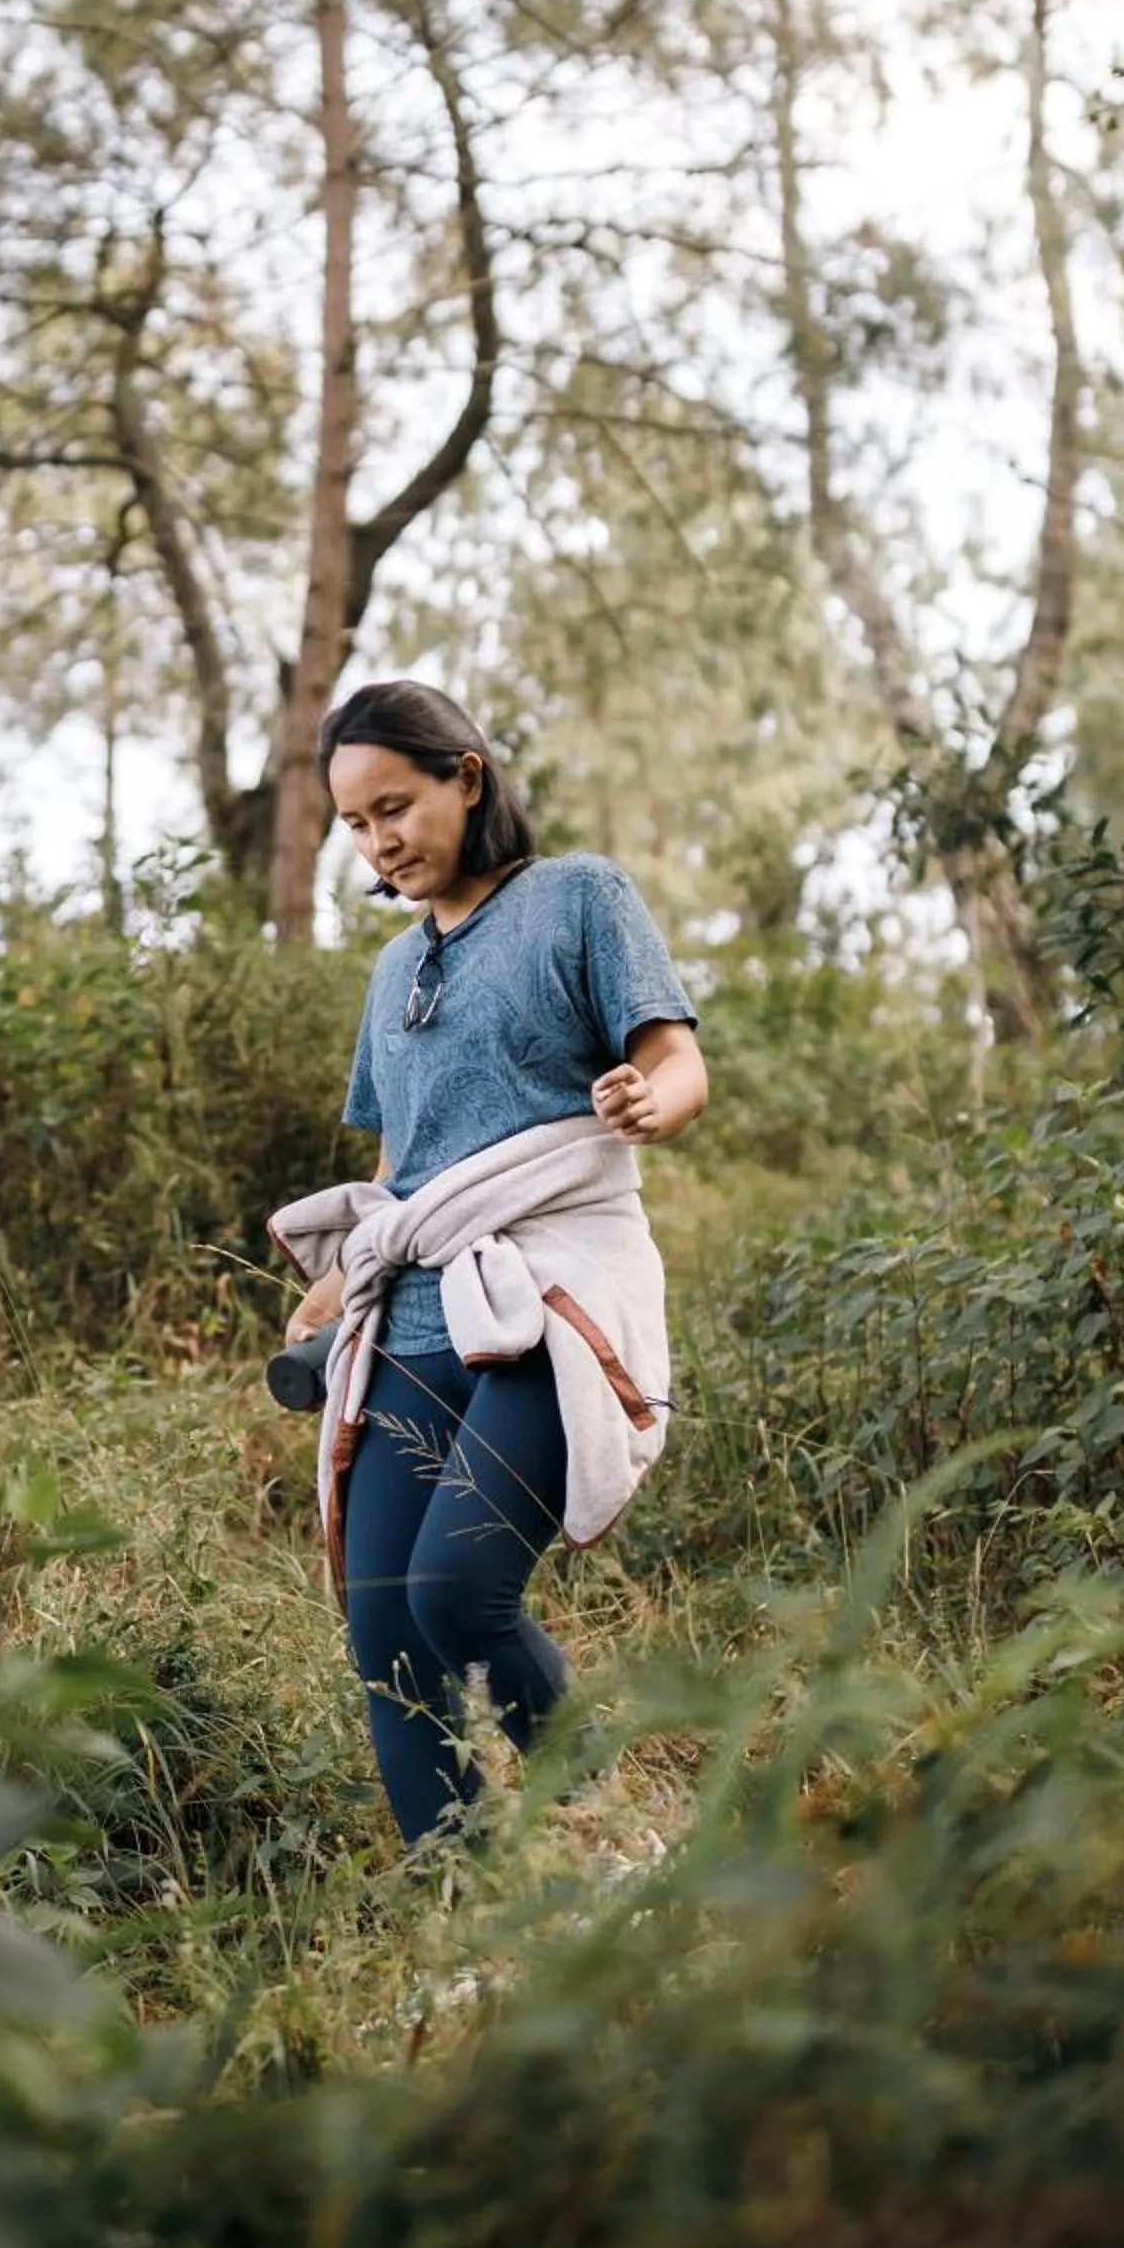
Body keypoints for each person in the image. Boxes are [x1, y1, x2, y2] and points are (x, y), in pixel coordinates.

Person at [269, 680, 707, 1849]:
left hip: (541, 1300)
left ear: (466, 776)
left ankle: (607, 1842)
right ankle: (460, 1907)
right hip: (407, 1322)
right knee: (381, 1627)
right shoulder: (387, 972)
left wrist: (648, 1100)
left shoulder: (574, 898)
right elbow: (401, 1166)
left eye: (394, 807)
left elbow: (675, 1063)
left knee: (457, 1593)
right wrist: (341, 1281)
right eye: (354, 824)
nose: (377, 842)